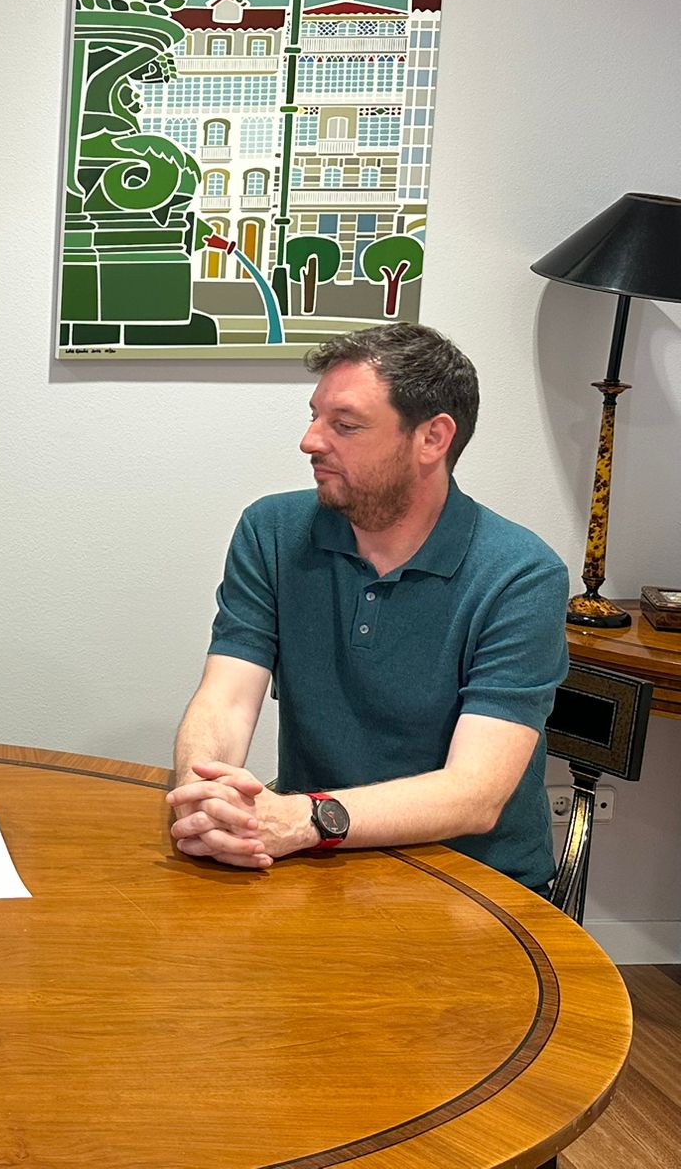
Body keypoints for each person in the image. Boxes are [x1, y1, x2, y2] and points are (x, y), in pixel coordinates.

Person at [167, 323, 569, 893]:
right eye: (314, 416)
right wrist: (203, 793)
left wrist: (305, 819)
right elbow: (226, 698)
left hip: (473, 883)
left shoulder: (521, 574)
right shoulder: (272, 531)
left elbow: (474, 794)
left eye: (345, 425)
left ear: (432, 438)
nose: (310, 441)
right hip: (317, 862)